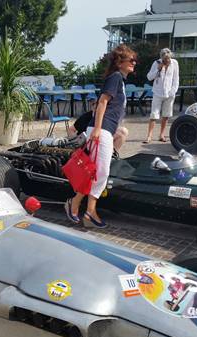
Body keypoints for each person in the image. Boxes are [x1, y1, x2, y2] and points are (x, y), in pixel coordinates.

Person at [65, 44, 136, 228]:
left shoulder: (119, 79)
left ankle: (88, 210)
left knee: (97, 172)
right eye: (131, 60)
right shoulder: (115, 77)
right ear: (120, 62)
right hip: (101, 130)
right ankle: (79, 205)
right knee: (99, 172)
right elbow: (102, 102)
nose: (134, 63)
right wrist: (97, 128)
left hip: (106, 130)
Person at [145, 48, 179, 144]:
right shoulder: (156, 63)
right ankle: (149, 136)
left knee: (166, 115)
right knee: (154, 115)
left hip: (170, 93)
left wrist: (173, 92)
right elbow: (149, 77)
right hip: (158, 92)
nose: (167, 61)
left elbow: (176, 79)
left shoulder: (175, 63)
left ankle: (162, 135)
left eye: (168, 59)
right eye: (165, 60)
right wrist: (158, 69)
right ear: (161, 58)